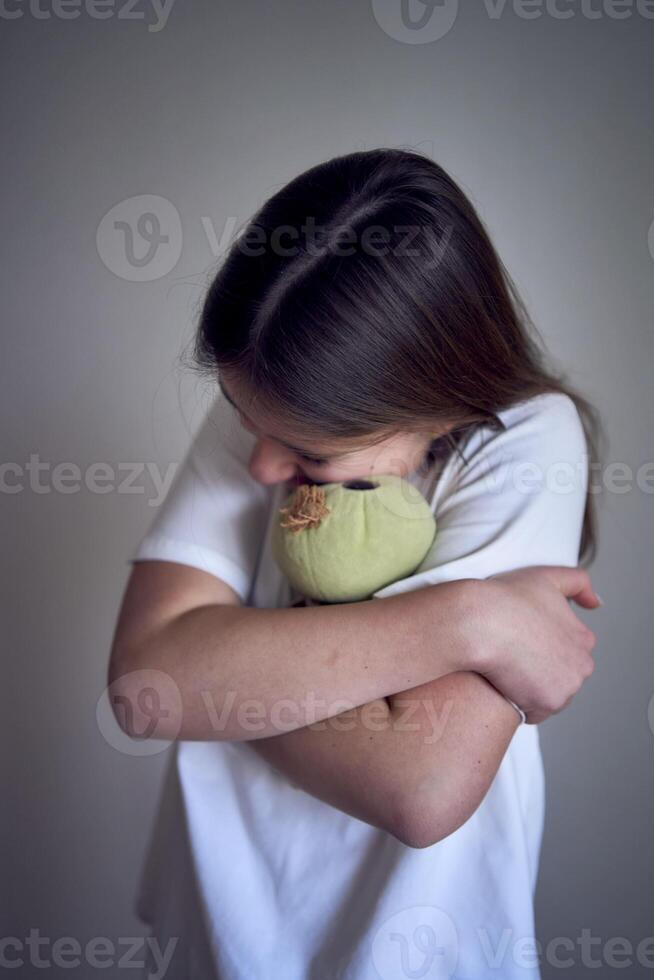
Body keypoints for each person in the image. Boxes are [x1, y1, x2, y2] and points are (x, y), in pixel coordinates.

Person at [108, 148, 601, 980]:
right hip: (212, 932)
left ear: (436, 401)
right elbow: (144, 686)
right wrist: (472, 619)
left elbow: (422, 784)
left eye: (307, 452)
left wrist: (216, 681)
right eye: (242, 418)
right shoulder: (278, 395)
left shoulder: (528, 439)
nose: (263, 466)